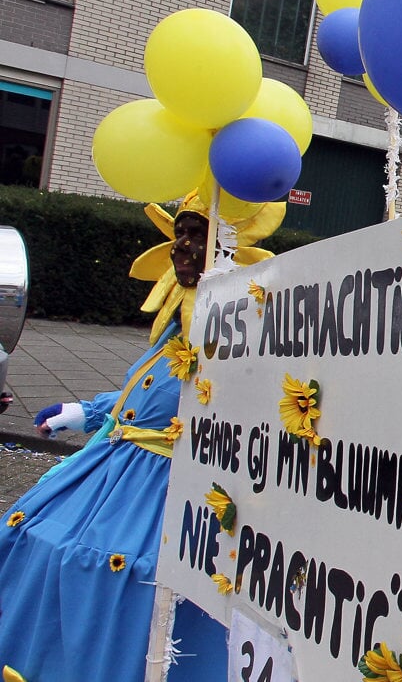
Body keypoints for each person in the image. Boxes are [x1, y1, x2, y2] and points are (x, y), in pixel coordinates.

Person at [0, 192, 283, 682]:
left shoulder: (249, 338)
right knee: (30, 535)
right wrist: (85, 413)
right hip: (110, 470)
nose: (181, 247)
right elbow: (145, 396)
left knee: (122, 575)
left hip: (171, 490)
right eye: (179, 233)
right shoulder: (178, 330)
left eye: (198, 235)